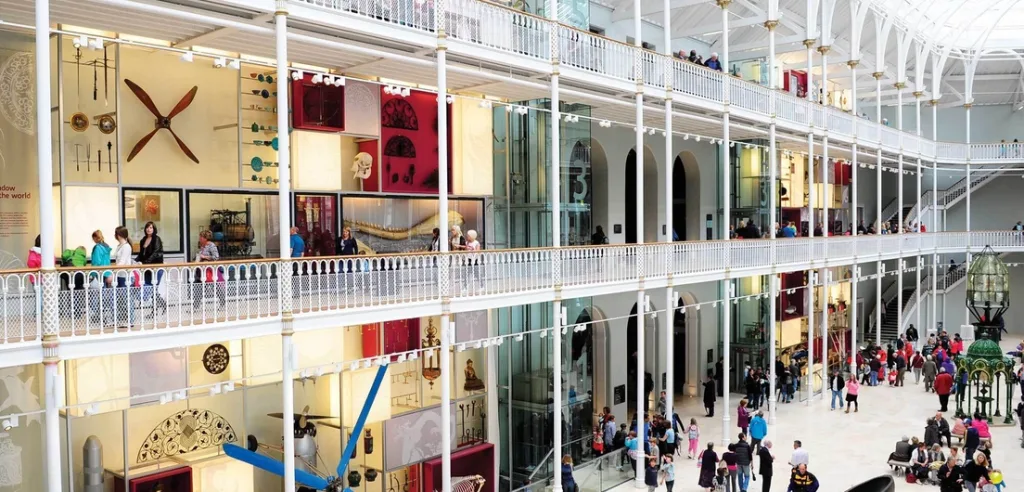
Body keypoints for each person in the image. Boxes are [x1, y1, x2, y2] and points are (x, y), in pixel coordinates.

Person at [136, 221, 166, 313]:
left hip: (156, 268)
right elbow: (141, 254)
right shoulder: (143, 240)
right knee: (151, 290)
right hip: (147, 269)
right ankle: (161, 305)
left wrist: (146, 263)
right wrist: (135, 261)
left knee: (154, 289)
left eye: (151, 227)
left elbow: (155, 253)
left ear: (154, 229)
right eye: (147, 227)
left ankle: (155, 311)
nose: (149, 229)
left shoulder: (156, 239)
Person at [193, 230, 225, 310]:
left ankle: (223, 304)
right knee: (199, 288)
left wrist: (204, 257)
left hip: (210, 271)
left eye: (201, 237)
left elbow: (216, 257)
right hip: (201, 271)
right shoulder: (202, 246)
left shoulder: (211, 245)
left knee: (217, 288)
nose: (199, 238)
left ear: (205, 238)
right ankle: (195, 307)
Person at [112, 226, 136, 327]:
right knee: (121, 299)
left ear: (119, 235)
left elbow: (122, 262)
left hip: (126, 276)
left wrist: (112, 272)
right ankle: (122, 319)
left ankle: (131, 320)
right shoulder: (120, 246)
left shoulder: (126, 247)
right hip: (120, 276)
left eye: (116, 233)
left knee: (128, 299)